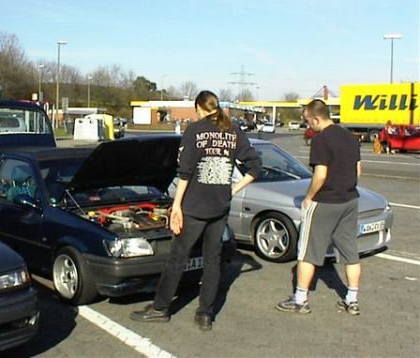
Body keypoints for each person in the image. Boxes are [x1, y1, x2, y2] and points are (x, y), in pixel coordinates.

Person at [130, 90, 261, 331]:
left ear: (199, 108)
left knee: (177, 258)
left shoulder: (194, 130)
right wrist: (232, 189)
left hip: (194, 206)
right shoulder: (234, 131)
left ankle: (160, 308)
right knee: (212, 261)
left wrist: (176, 206)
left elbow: (185, 173)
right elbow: (255, 167)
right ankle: (205, 314)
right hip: (220, 206)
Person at [276, 99, 362, 316]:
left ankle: (300, 299)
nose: (308, 126)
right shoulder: (351, 138)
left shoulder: (320, 140)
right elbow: (358, 171)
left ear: (316, 118)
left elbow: (320, 175)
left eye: (307, 121)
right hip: (350, 199)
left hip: (325, 202)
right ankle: (351, 300)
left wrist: (308, 198)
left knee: (307, 253)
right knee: (351, 253)